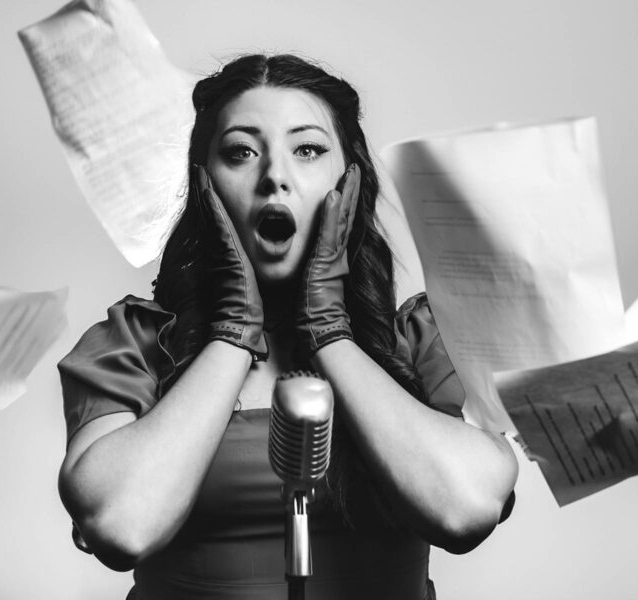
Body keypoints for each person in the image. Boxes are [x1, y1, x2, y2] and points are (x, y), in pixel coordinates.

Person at [57, 53, 518, 599]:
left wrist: (330, 332)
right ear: (203, 186)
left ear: (349, 183)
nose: (274, 178)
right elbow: (120, 526)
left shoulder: (420, 342)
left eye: (307, 150)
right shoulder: (135, 344)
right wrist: (233, 332)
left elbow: (465, 509)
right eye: (241, 153)